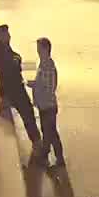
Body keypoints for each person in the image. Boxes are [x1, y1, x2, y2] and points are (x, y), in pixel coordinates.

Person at [0, 25, 40, 145]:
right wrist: (16, 61)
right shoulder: (1, 51)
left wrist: (16, 59)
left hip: (12, 87)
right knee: (27, 112)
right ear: (1, 36)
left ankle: (36, 140)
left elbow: (16, 57)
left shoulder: (2, 47)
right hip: (14, 89)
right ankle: (37, 142)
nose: (10, 36)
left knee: (27, 113)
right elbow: (12, 66)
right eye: (7, 34)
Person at [29, 37, 64, 168]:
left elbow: (48, 88)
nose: (37, 51)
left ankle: (54, 158)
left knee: (50, 133)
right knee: (49, 131)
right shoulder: (43, 63)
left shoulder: (48, 66)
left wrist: (35, 85)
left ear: (45, 49)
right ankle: (52, 155)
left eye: (39, 49)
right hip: (44, 106)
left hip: (48, 106)